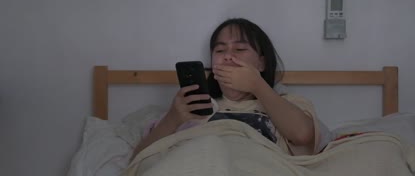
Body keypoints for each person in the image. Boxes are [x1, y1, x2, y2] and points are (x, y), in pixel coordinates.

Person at [131, 18, 324, 160]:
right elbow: (138, 160)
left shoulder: (283, 103)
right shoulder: (194, 106)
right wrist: (173, 118)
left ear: (262, 63)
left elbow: (303, 135)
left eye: (240, 49)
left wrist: (257, 86)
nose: (228, 56)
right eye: (220, 50)